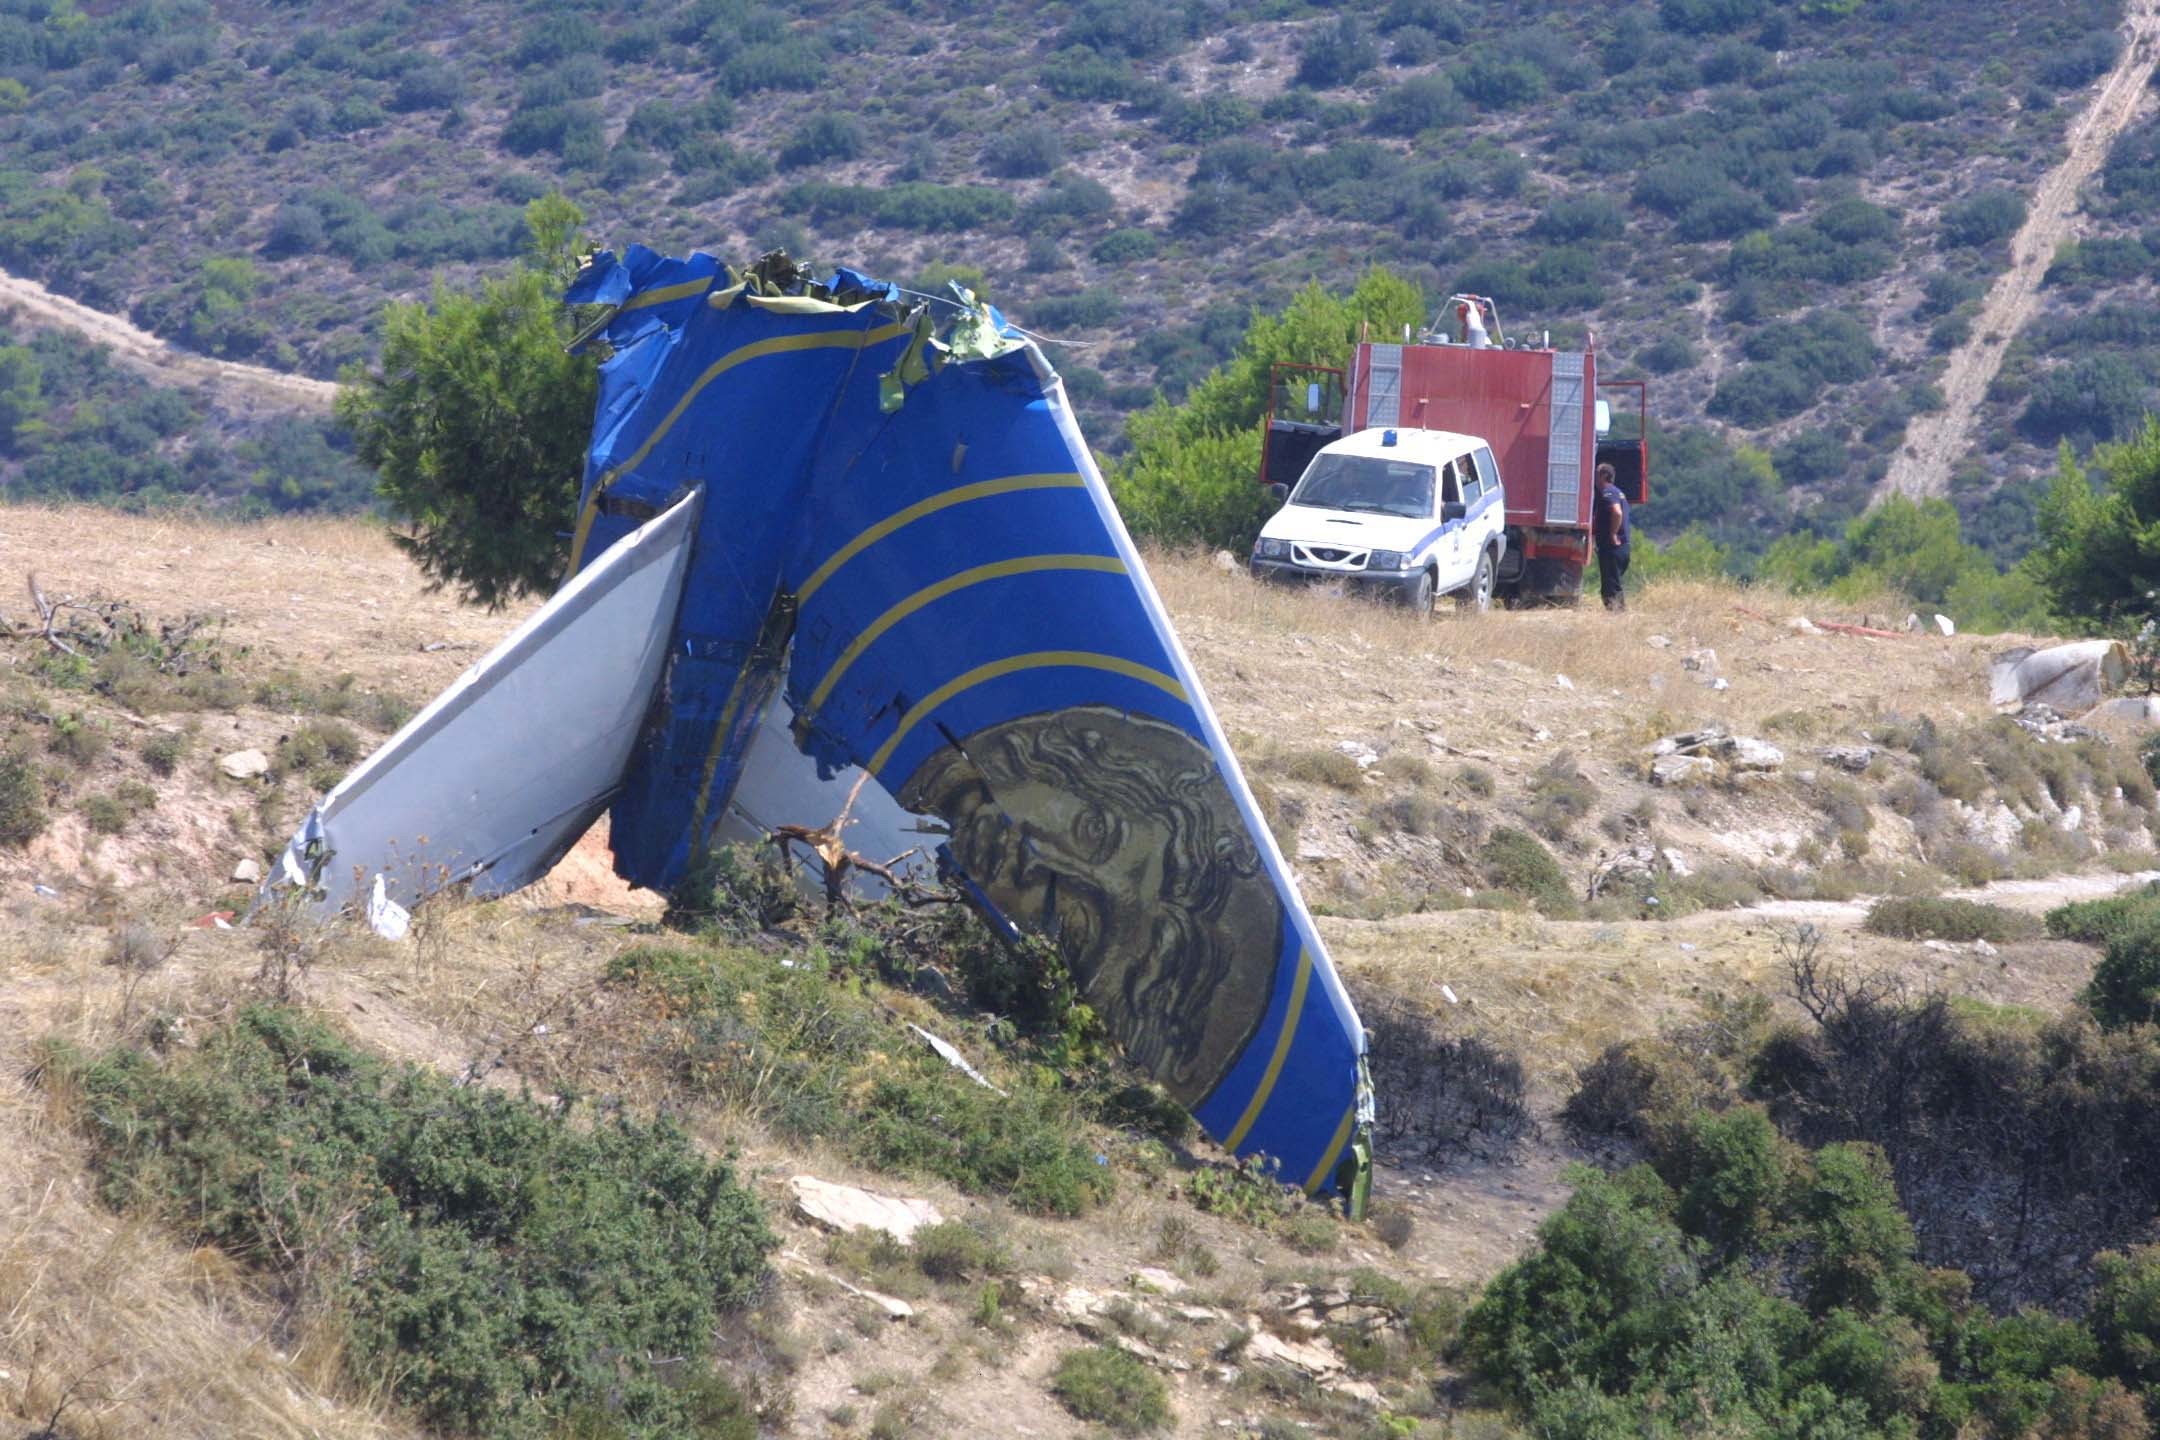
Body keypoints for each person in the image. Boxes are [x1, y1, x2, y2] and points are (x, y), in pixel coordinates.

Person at [1594, 462, 1630, 611]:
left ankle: (1618, 618)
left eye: (1596, 473)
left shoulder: (1608, 492)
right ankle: (1616, 616)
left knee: (1611, 588)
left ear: (1603, 476)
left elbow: (1617, 512)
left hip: (1612, 548)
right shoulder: (1618, 492)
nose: (1594, 477)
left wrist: (1613, 533)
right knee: (1611, 585)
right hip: (1622, 548)